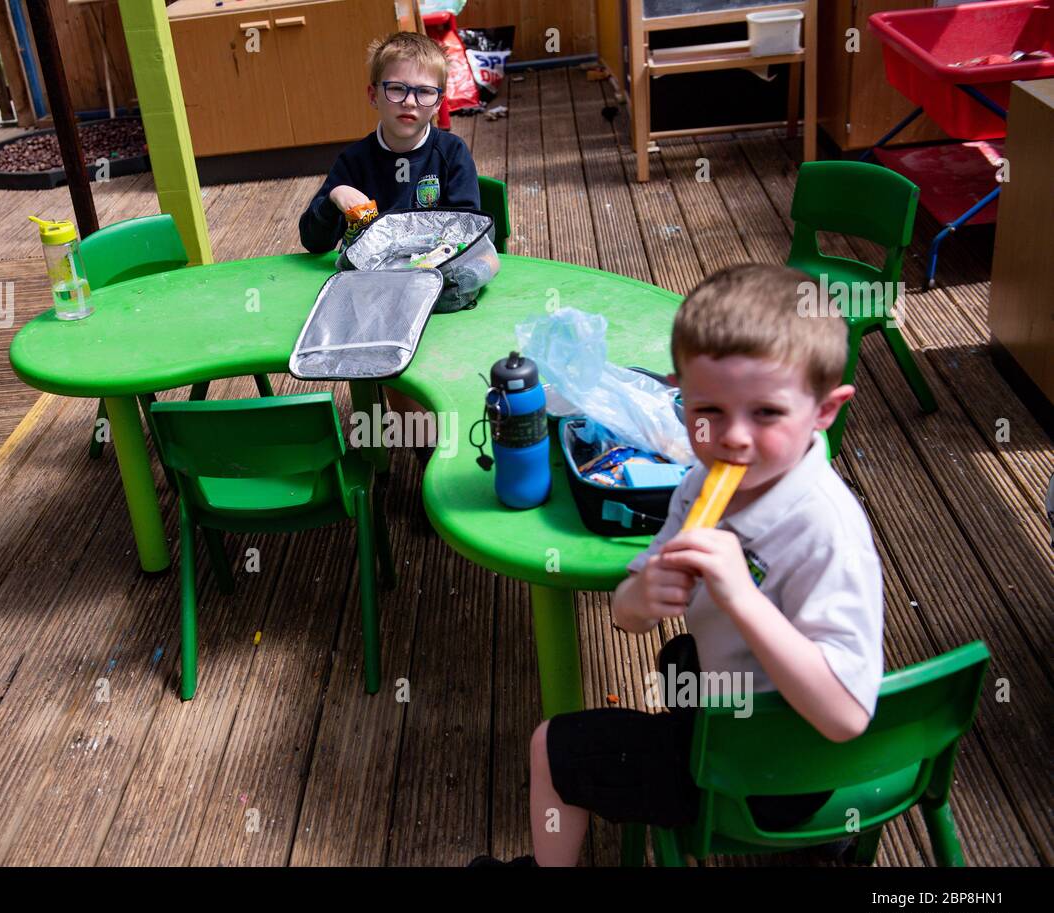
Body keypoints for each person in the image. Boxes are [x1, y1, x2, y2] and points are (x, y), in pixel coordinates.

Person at [473, 263, 885, 866]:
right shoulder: (698, 484)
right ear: (677, 396)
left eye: (766, 413)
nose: (734, 438)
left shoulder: (825, 532)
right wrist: (642, 596)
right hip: (732, 705)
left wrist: (742, 598)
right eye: (709, 410)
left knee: (551, 746)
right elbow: (629, 615)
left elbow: (846, 716)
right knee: (678, 663)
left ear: (825, 410)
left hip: (782, 769)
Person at [299, 32, 482, 464]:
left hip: (441, 289)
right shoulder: (355, 162)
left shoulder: (451, 153)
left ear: (439, 101)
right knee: (394, 368)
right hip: (375, 296)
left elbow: (468, 230)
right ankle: (433, 462)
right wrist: (334, 197)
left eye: (424, 92)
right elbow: (313, 241)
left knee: (443, 365)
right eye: (397, 88)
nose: (410, 102)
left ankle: (448, 444)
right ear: (373, 95)